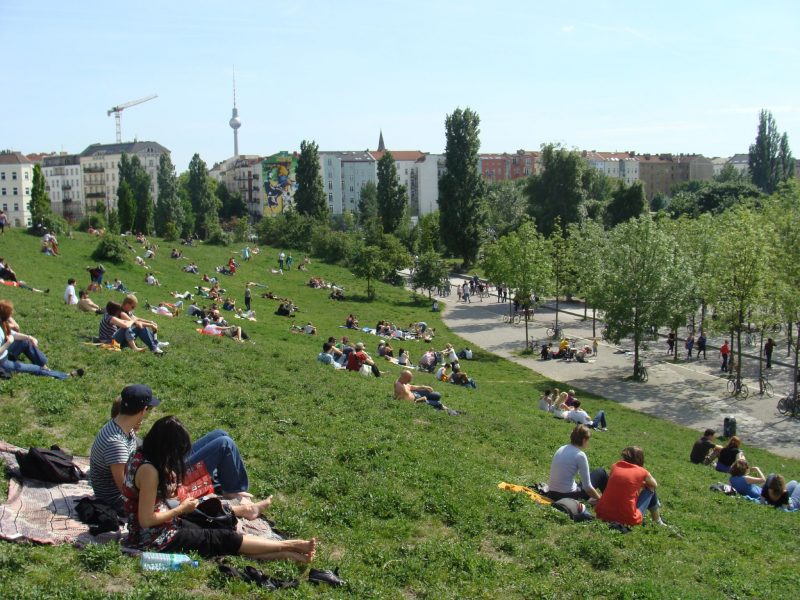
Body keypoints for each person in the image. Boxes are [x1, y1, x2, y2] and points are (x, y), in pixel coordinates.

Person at [122, 414, 316, 562]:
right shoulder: (149, 471)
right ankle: (287, 548)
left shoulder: (142, 457)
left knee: (213, 525)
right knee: (221, 538)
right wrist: (181, 509)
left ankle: (287, 552)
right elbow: (146, 520)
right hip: (153, 539)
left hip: (161, 527)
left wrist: (171, 490)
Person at [90, 385, 255, 516]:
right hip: (136, 494)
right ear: (143, 411)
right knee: (223, 444)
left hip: (148, 474)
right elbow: (126, 490)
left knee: (220, 434)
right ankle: (233, 491)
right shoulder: (116, 443)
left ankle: (232, 487)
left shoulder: (120, 426)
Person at [0, 300, 83, 380]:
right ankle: (65, 376)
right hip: (2, 363)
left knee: (25, 342)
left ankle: (44, 366)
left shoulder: (3, 323)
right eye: (10, 314)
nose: (12, 316)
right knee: (36, 369)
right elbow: (10, 339)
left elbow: (14, 334)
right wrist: (9, 342)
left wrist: (29, 337)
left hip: (4, 353)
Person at [595, 446, 665, 527]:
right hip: (627, 519)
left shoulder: (615, 466)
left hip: (602, 513)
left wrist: (638, 483)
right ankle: (658, 520)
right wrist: (642, 483)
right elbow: (654, 484)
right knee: (651, 488)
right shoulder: (642, 471)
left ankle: (658, 518)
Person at [545, 425, 605, 502]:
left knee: (580, 483)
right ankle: (609, 501)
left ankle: (594, 500)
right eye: (588, 440)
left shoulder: (562, 448)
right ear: (584, 440)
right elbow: (587, 487)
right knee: (601, 473)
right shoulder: (580, 455)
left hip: (551, 493)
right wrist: (599, 499)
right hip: (566, 497)